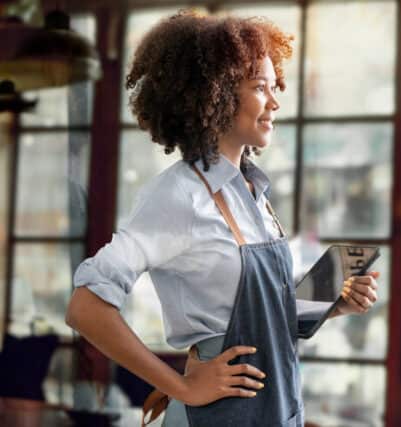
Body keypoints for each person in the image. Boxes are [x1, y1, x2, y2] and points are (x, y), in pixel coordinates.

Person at [65, 10, 380, 427]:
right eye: (260, 87)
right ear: (217, 95)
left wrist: (333, 305)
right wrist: (183, 387)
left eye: (274, 86)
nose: (275, 101)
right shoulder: (178, 195)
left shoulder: (255, 193)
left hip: (277, 409)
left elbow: (267, 322)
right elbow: (85, 307)